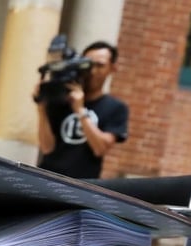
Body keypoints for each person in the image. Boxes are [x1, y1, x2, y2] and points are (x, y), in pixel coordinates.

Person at [34, 40, 128, 179]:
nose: (92, 71)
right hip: (48, 178)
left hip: (83, 185)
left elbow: (100, 148)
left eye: (100, 65)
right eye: (88, 64)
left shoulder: (116, 107)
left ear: (112, 69)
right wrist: (41, 107)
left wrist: (80, 110)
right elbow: (47, 148)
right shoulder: (61, 99)